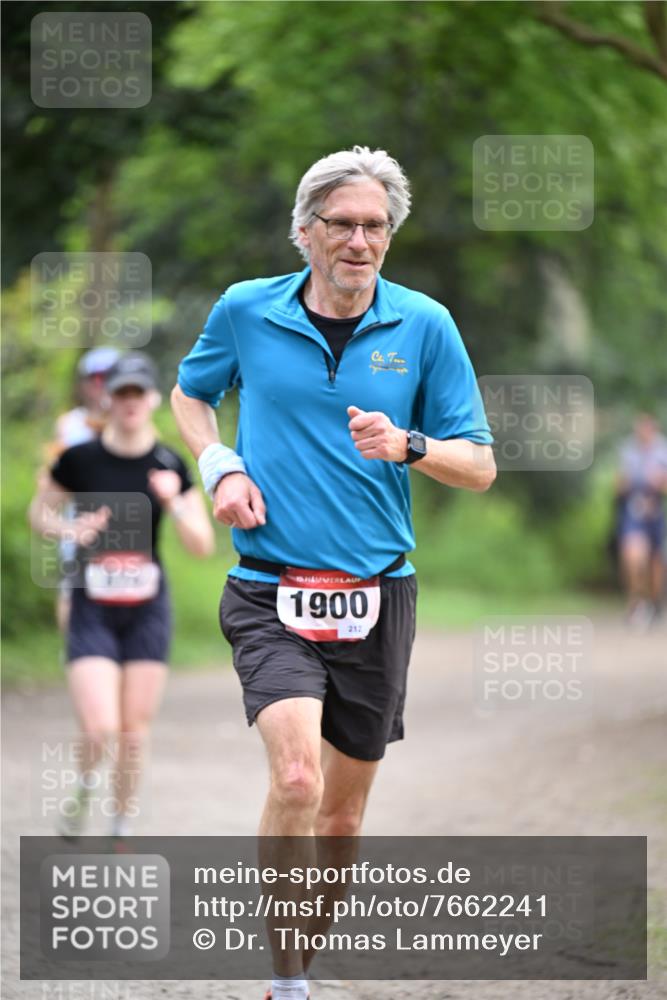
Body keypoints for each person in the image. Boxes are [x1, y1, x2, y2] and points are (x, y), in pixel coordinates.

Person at [170, 145, 496, 1000]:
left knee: (343, 819)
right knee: (296, 778)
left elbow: (479, 466)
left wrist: (410, 445)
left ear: (389, 237)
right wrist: (220, 467)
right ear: (305, 233)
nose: (359, 241)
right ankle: (284, 984)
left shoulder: (424, 324)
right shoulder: (246, 310)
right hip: (268, 586)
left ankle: (298, 960)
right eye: (342, 224)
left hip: (377, 595)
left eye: (375, 227)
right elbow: (190, 394)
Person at [30, 351, 215, 840]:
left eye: (139, 393)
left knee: (133, 732)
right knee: (100, 727)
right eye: (121, 393)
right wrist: (71, 526)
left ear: (153, 399)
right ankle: (86, 786)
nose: (130, 403)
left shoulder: (170, 463)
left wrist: (174, 501)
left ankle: (120, 825)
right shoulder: (80, 460)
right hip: (91, 602)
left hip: (147, 609)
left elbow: (202, 545)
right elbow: (40, 514)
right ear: (106, 399)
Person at [46, 346, 121, 631]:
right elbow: (56, 472)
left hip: (125, 524)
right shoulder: (70, 424)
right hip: (79, 521)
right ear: (85, 383)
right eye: (96, 378)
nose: (101, 385)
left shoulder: (130, 417)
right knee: (72, 592)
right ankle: (75, 653)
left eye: (109, 377)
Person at [615, 414, 667, 629]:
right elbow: (617, 486)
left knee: (656, 564)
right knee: (633, 556)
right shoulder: (627, 451)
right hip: (633, 512)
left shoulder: (663, 450)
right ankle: (636, 602)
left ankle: (655, 603)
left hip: (655, 514)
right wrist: (625, 483)